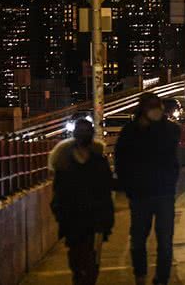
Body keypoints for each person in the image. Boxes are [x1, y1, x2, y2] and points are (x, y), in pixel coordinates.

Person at [115, 93, 181, 285]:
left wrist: (153, 127)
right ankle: (140, 277)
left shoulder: (169, 129)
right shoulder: (130, 131)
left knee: (165, 242)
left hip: (164, 193)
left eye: (157, 106)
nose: (155, 110)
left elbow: (171, 154)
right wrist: (129, 187)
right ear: (142, 109)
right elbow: (121, 161)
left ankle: (162, 279)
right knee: (138, 240)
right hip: (140, 194)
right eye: (151, 106)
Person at [49, 119, 114, 285]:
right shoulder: (64, 162)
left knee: (91, 259)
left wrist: (107, 219)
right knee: (77, 259)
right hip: (73, 219)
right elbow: (59, 193)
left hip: (94, 219)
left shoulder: (98, 161)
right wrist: (60, 214)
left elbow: (105, 190)